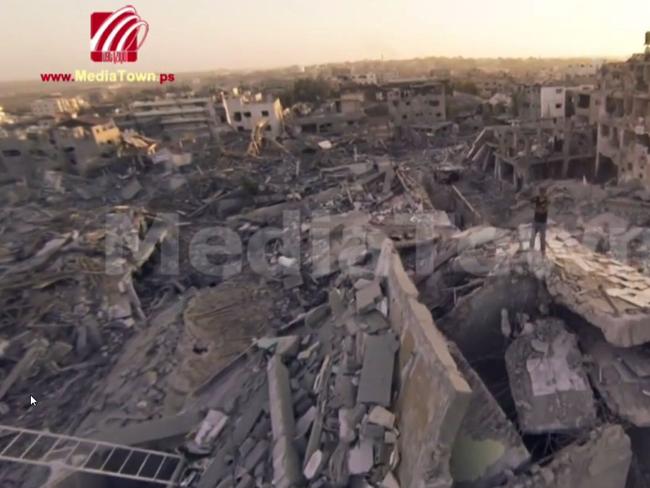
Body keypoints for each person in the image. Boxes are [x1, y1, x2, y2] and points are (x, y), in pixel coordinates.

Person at [529, 187, 549, 256]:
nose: (542, 194)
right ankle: (531, 251)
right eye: (541, 192)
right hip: (536, 221)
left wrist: (535, 208)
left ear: (545, 193)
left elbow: (543, 211)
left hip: (543, 222)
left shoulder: (546, 200)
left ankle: (543, 253)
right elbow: (530, 202)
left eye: (543, 192)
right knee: (532, 236)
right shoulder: (537, 198)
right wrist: (535, 208)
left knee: (542, 238)